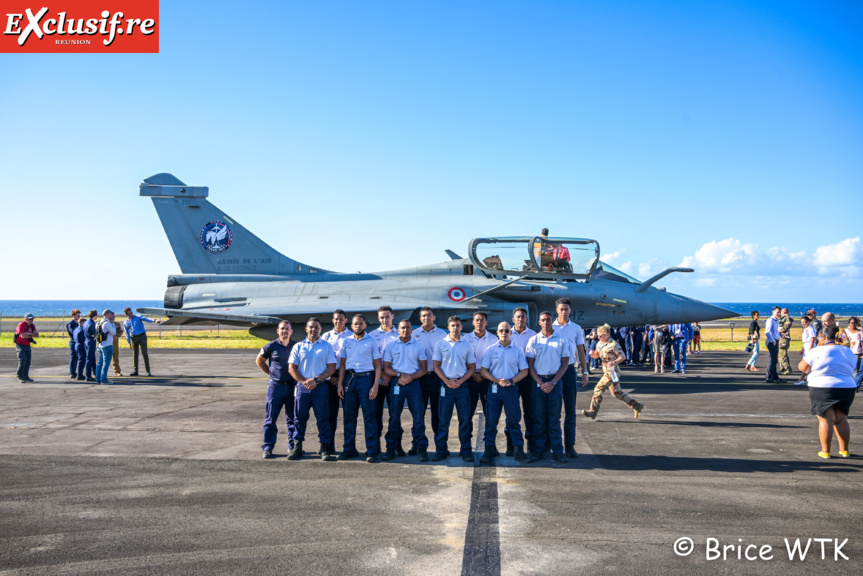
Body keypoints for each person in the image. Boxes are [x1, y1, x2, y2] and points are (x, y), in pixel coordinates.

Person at [798, 326, 856, 458]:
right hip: (846, 386)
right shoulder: (847, 350)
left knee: (825, 419)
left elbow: (803, 367)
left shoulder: (817, 350)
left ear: (823, 337)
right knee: (841, 419)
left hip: (822, 386)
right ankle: (844, 450)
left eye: (819, 337)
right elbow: (853, 366)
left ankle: (825, 451)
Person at [288, 318, 338, 462]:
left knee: (323, 418)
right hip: (303, 388)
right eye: (311, 327)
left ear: (320, 329)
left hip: (320, 387)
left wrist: (315, 380)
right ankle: (297, 447)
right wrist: (304, 381)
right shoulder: (299, 346)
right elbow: (292, 368)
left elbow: (331, 369)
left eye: (316, 327)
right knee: (299, 419)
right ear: (306, 328)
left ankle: (324, 449)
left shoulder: (327, 346)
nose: (313, 330)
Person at [479, 322, 529, 463]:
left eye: (507, 330)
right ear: (497, 332)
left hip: (511, 389)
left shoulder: (517, 350)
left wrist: (511, 381)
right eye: (501, 330)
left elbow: (524, 371)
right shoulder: (491, 349)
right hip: (494, 389)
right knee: (491, 421)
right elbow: (484, 371)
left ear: (510, 332)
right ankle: (488, 450)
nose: (504, 332)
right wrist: (496, 380)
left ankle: (518, 450)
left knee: (513, 421)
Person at [525, 312, 570, 463]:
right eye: (543, 320)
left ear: (552, 321)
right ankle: (539, 450)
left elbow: (565, 365)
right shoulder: (533, 340)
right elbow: (530, 366)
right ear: (539, 322)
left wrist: (553, 382)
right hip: (538, 383)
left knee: (554, 419)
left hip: (555, 382)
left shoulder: (562, 340)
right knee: (539, 418)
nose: (546, 322)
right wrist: (540, 382)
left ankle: (558, 451)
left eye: (548, 320)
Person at [381, 320, 429, 461]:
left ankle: (421, 448)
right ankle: (392, 448)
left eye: (408, 327)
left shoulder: (419, 346)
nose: (406, 330)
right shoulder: (391, 346)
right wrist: (400, 375)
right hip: (397, 383)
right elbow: (387, 367)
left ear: (412, 329)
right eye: (403, 327)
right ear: (398, 330)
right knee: (394, 417)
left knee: (418, 417)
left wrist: (410, 377)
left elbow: (424, 369)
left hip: (414, 384)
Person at [337, 314, 382, 463]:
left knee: (369, 416)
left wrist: (375, 385)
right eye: (355, 324)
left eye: (360, 324)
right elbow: (343, 364)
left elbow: (377, 365)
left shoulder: (371, 341)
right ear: (352, 325)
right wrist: (340, 384)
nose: (358, 326)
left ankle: (372, 451)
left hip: (366, 379)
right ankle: (349, 449)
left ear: (365, 325)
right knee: (349, 416)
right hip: (350, 380)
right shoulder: (346, 341)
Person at [432, 316, 476, 463]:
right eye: (453, 325)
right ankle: (441, 450)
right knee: (443, 420)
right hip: (446, 386)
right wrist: (447, 381)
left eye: (458, 325)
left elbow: (472, 368)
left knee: (464, 420)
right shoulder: (441, 344)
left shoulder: (467, 344)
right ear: (448, 327)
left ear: (461, 327)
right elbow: (436, 366)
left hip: (462, 386)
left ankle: (466, 451)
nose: (455, 328)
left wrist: (461, 381)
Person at [582, 324, 644, 420]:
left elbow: (622, 356)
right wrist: (592, 354)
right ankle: (636, 405)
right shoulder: (600, 343)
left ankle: (593, 411)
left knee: (598, 388)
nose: (599, 337)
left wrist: (614, 362)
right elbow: (597, 356)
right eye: (598, 336)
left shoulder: (614, 344)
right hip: (606, 371)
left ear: (607, 334)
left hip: (613, 372)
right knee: (616, 392)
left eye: (601, 336)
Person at [552, 297, 588, 459]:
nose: (564, 312)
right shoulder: (550, 327)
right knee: (554, 411)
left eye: (566, 309)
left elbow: (581, 351)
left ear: (570, 310)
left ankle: (570, 446)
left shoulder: (576, 329)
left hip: (569, 372)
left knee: (570, 411)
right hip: (554, 371)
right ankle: (554, 445)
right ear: (557, 311)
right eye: (561, 309)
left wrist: (585, 371)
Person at [256, 321, 297, 459]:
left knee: (292, 418)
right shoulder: (270, 346)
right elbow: (260, 361)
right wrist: (271, 374)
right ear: (277, 331)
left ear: (291, 331)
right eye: (282, 329)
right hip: (275, 387)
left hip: (292, 387)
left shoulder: (296, 346)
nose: (284, 331)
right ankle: (268, 447)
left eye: (287, 329)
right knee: (270, 419)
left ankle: (292, 447)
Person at [411, 307, 447, 455]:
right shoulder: (414, 334)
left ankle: (440, 446)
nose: (426, 318)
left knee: (437, 414)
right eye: (424, 316)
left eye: (429, 316)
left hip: (436, 377)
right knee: (418, 413)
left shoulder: (442, 334)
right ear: (420, 319)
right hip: (419, 377)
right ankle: (417, 444)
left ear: (434, 317)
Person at [463, 311, 498, 450]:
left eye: (482, 320)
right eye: (477, 320)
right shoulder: (465, 339)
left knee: (490, 414)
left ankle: (491, 446)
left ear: (486, 322)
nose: (479, 322)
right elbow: (463, 358)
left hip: (487, 379)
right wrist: (473, 374)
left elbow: (495, 360)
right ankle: (466, 447)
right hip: (470, 378)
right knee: (467, 414)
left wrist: (484, 375)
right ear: (473, 322)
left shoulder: (493, 339)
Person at [370, 306, 401, 455]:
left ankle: (397, 445)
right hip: (377, 380)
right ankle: (376, 445)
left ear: (392, 316)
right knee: (376, 414)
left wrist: (390, 375)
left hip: (395, 379)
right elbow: (369, 357)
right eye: (382, 317)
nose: (385, 319)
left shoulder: (400, 334)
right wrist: (382, 374)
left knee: (395, 414)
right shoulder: (372, 335)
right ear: (378, 318)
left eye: (387, 316)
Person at [321, 309, 353, 454]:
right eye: (336, 319)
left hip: (347, 377)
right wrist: (329, 377)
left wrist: (342, 378)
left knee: (349, 414)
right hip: (330, 378)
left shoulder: (352, 336)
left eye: (341, 319)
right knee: (330, 415)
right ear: (332, 320)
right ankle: (328, 445)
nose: (338, 321)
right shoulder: (326, 336)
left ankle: (349, 447)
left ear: (346, 320)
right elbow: (321, 359)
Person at [509, 308, 537, 454]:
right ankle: (511, 445)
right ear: (513, 319)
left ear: (526, 319)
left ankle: (530, 445)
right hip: (511, 377)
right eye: (518, 317)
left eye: (523, 317)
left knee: (529, 412)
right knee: (512, 412)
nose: (520, 319)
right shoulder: (507, 333)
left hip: (527, 378)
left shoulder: (533, 335)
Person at [123, 307, 161, 377]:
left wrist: (154, 320)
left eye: (131, 312)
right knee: (135, 354)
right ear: (126, 315)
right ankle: (136, 371)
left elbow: (146, 319)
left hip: (142, 336)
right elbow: (126, 334)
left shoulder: (138, 317)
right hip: (133, 338)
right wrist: (129, 343)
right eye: (129, 313)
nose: (131, 314)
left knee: (144, 353)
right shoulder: (126, 322)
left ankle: (148, 371)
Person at [793, 315, 817, 386]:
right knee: (808, 365)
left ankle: (801, 379)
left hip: (810, 347)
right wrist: (802, 349)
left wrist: (810, 349)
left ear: (808, 322)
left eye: (805, 322)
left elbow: (812, 339)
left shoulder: (811, 329)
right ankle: (805, 379)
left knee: (807, 364)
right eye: (802, 322)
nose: (803, 324)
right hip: (806, 346)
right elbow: (806, 341)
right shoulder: (806, 329)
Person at [14, 313, 39, 383]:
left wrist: (28, 334)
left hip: (27, 345)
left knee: (28, 361)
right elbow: (22, 336)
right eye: (30, 319)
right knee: (23, 360)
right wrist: (31, 334)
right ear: (26, 319)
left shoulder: (32, 326)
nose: (32, 320)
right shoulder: (21, 325)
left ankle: (25, 376)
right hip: (20, 345)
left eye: (32, 319)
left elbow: (37, 334)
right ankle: (20, 376)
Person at [95, 310, 117, 384]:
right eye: (111, 314)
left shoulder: (98, 323)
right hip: (107, 345)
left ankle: (98, 378)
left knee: (100, 363)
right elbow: (113, 332)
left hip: (100, 345)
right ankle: (103, 379)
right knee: (106, 363)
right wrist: (112, 324)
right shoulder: (107, 323)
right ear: (107, 315)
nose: (112, 316)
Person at [764, 306, 784, 383]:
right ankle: (775, 377)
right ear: (773, 312)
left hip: (775, 340)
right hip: (771, 341)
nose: (779, 314)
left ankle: (769, 377)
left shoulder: (776, 321)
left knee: (772, 360)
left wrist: (779, 335)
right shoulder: (770, 320)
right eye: (777, 312)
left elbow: (774, 332)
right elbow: (767, 332)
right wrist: (773, 340)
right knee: (774, 360)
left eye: (780, 312)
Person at [65, 309, 83, 379]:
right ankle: (72, 372)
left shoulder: (77, 323)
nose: (79, 317)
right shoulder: (71, 324)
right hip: (73, 342)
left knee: (77, 358)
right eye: (77, 315)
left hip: (77, 342)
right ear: (73, 316)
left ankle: (74, 372)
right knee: (73, 357)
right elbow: (73, 333)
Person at [778, 309, 794, 375]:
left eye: (781, 312)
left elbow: (787, 325)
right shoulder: (782, 319)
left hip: (784, 338)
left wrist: (780, 330)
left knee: (783, 354)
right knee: (780, 355)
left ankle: (787, 368)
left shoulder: (787, 318)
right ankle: (782, 368)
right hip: (781, 338)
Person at [83, 310, 98, 382]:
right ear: (94, 316)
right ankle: (88, 376)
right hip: (91, 342)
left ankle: (95, 373)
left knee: (91, 359)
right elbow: (95, 333)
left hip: (86, 341)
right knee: (89, 359)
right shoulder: (92, 324)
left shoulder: (86, 322)